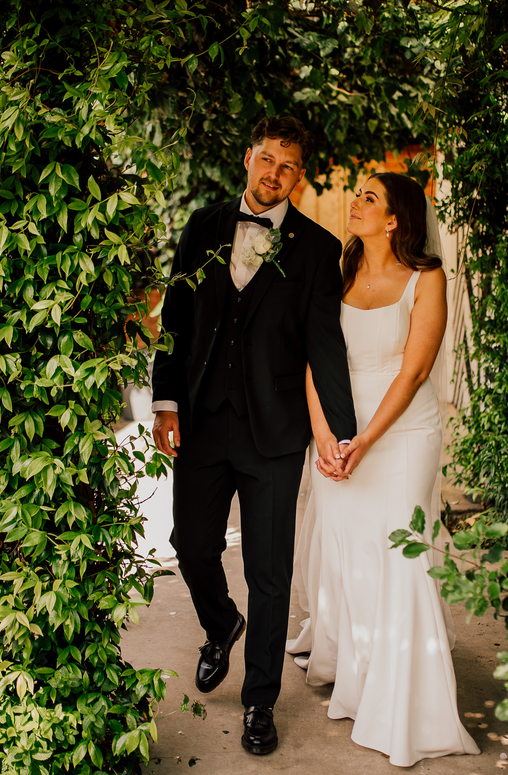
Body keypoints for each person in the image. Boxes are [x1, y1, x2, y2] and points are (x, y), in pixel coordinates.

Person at [151, 116, 356, 755]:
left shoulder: (319, 251)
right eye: (265, 159)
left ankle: (259, 703)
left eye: (286, 166)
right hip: (205, 421)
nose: (273, 174)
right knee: (190, 543)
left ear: (300, 175)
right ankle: (221, 624)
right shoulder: (203, 228)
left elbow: (325, 345)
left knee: (270, 574)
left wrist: (341, 434)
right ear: (248, 158)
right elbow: (176, 321)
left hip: (274, 432)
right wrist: (166, 403)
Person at [286, 172, 481, 766]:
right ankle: (358, 669)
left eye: (370, 197)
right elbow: (314, 357)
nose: (357, 202)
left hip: (402, 436)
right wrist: (324, 435)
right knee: (346, 549)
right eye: (359, 194)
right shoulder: (337, 271)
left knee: (402, 552)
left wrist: (364, 440)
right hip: (337, 431)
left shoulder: (427, 279)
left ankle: (407, 702)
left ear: (396, 220)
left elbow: (416, 371)